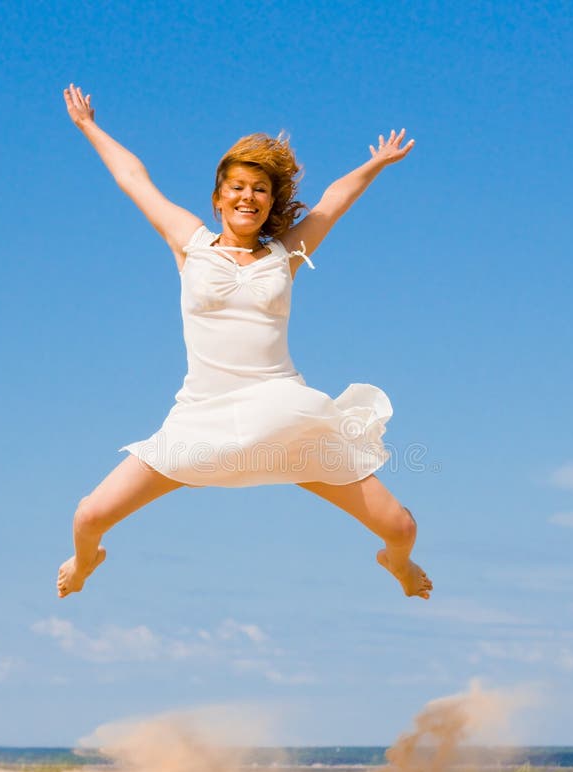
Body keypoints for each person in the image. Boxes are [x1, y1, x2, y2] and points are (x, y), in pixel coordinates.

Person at [57, 83, 432, 602]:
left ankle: (396, 566)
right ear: (217, 199)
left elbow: (332, 203)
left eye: (259, 189)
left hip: (283, 421)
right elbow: (133, 178)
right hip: (202, 423)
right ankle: (85, 562)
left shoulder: (286, 253)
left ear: (270, 202)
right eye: (236, 187)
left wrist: (376, 164)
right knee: (88, 516)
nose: (248, 197)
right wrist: (89, 126)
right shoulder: (190, 243)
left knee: (402, 530)